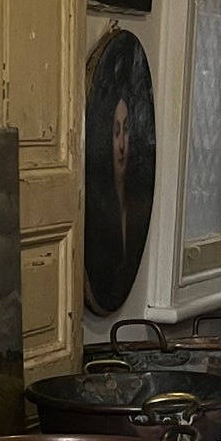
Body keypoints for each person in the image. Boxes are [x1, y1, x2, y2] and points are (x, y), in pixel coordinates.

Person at [84, 30, 156, 315]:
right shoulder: (98, 206)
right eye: (115, 132)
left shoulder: (137, 200)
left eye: (127, 129)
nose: (122, 143)